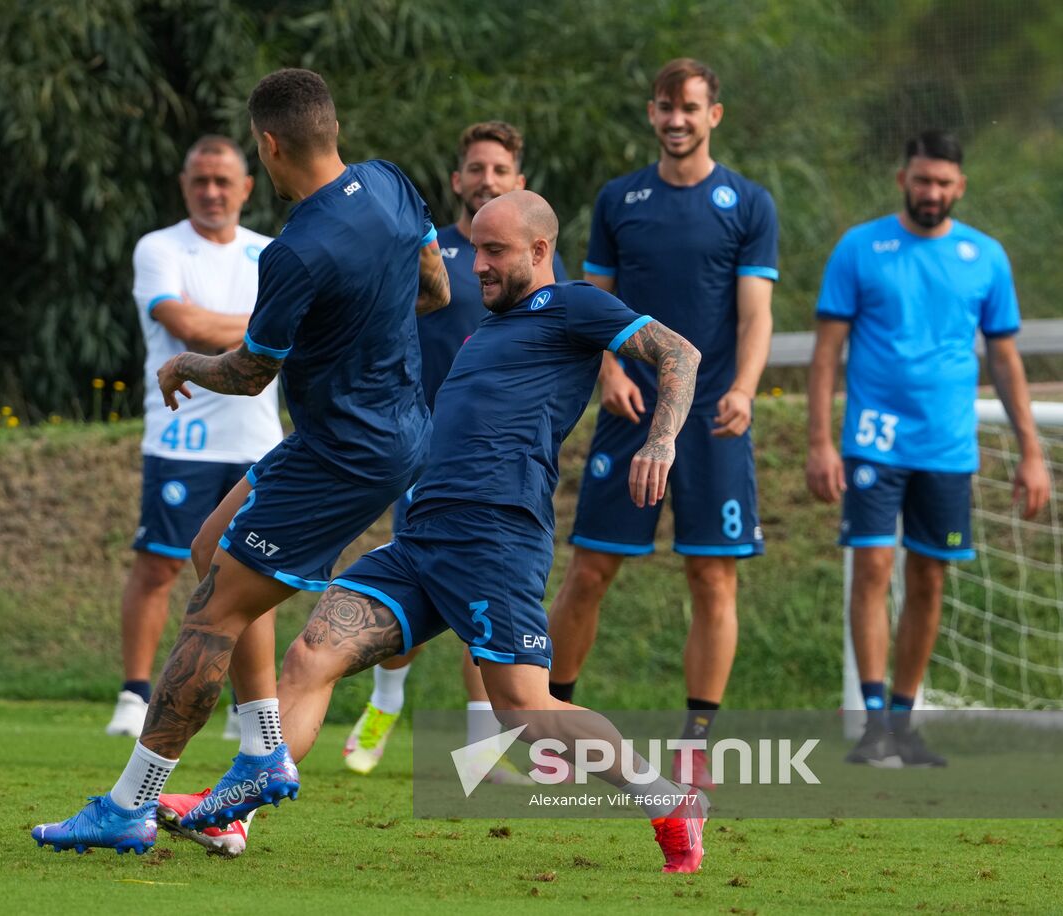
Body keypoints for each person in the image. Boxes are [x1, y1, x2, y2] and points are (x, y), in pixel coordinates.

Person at [183, 190, 710, 873]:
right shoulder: (486, 330)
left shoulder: (574, 305)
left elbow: (679, 353)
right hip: (421, 537)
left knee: (524, 710)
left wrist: (660, 441)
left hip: (495, 537)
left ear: (540, 251)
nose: (479, 266)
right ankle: (234, 815)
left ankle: (670, 800)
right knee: (311, 656)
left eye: (496, 252)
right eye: (478, 250)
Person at [32, 67, 448, 856]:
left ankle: (129, 804)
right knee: (205, 551)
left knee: (212, 615)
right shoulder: (392, 185)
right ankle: (264, 751)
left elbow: (250, 372)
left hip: (343, 451)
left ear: (268, 144)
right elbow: (433, 285)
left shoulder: (294, 251)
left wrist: (186, 364)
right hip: (378, 430)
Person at [545, 58, 777, 789]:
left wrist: (743, 388)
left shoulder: (748, 203)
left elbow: (756, 313)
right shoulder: (620, 200)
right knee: (588, 571)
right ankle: (556, 728)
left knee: (712, 578)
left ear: (715, 115)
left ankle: (697, 742)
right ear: (652, 114)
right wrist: (610, 371)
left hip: (712, 421)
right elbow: (593, 304)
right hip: (632, 413)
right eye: (665, 107)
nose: (677, 119)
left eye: (691, 108)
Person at [807, 129, 1049, 767]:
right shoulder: (860, 249)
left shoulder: (985, 257)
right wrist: (819, 441)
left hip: (947, 447)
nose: (932, 192)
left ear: (960, 187)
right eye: (922, 180)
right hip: (872, 442)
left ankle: (904, 723)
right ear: (902, 179)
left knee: (929, 579)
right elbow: (826, 353)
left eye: (943, 183)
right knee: (872, 570)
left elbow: (1003, 358)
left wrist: (1030, 450)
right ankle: (872, 721)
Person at [343, 120, 569, 777]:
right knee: (410, 602)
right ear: (457, 180)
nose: (487, 180)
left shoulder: (538, 275)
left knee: (484, 603)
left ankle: (482, 750)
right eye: (476, 169)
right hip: (426, 454)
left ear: (517, 182)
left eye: (500, 171)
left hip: (499, 470)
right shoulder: (433, 256)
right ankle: (387, 700)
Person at [105, 135, 283, 745]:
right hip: (182, 435)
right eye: (201, 181)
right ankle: (134, 693)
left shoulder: (271, 252)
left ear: (247, 188)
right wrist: (268, 326)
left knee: (255, 570)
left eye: (223, 181)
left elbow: (281, 328)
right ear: (186, 186)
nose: (212, 192)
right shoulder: (159, 247)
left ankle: (247, 703)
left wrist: (261, 328)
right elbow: (184, 325)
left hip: (256, 438)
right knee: (158, 566)